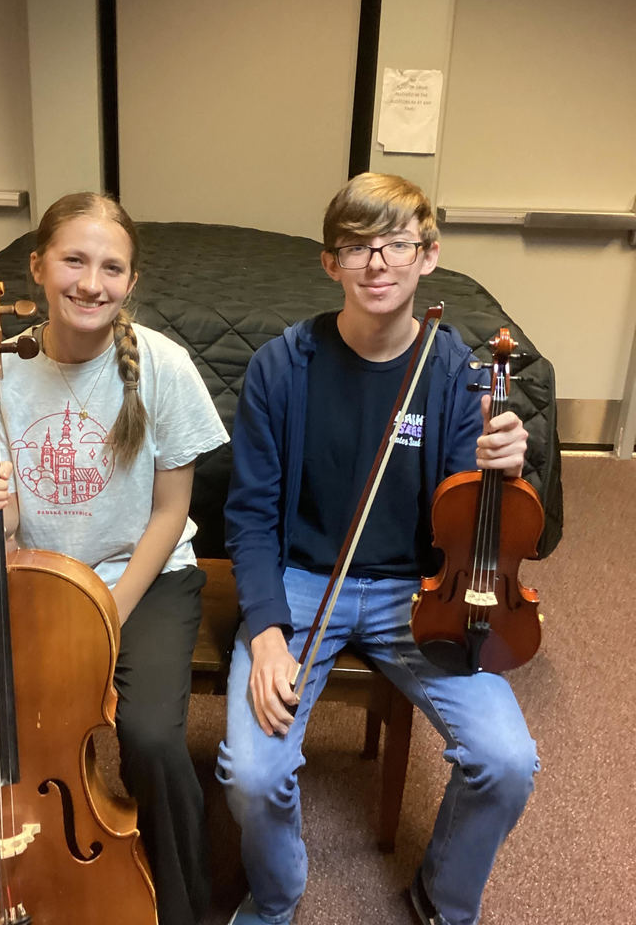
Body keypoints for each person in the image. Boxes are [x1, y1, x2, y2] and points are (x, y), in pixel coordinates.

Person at [0, 192, 229, 925]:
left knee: (151, 739)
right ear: (39, 267)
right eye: (73, 260)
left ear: (131, 283)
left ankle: (185, 909)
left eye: (111, 267)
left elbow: (170, 515)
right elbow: (7, 520)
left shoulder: (162, 367)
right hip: (35, 576)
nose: (90, 282)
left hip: (140, 578)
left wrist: (105, 613)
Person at [216, 172, 538, 925]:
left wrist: (501, 472)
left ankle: (444, 900)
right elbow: (251, 517)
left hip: (423, 591)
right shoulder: (280, 367)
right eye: (357, 247)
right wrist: (265, 633)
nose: (377, 262)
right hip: (302, 584)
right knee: (252, 774)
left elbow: (470, 516)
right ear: (331, 264)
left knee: (507, 760)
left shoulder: (457, 373)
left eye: (396, 244)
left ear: (428, 257)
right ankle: (276, 900)